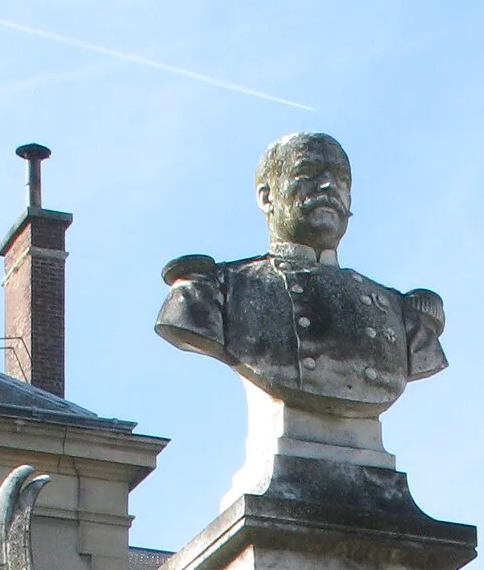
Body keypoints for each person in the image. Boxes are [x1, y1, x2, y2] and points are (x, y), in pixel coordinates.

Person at [156, 132, 446, 419]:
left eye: (341, 179)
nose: (329, 186)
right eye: (307, 173)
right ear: (267, 197)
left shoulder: (402, 314)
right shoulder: (211, 291)